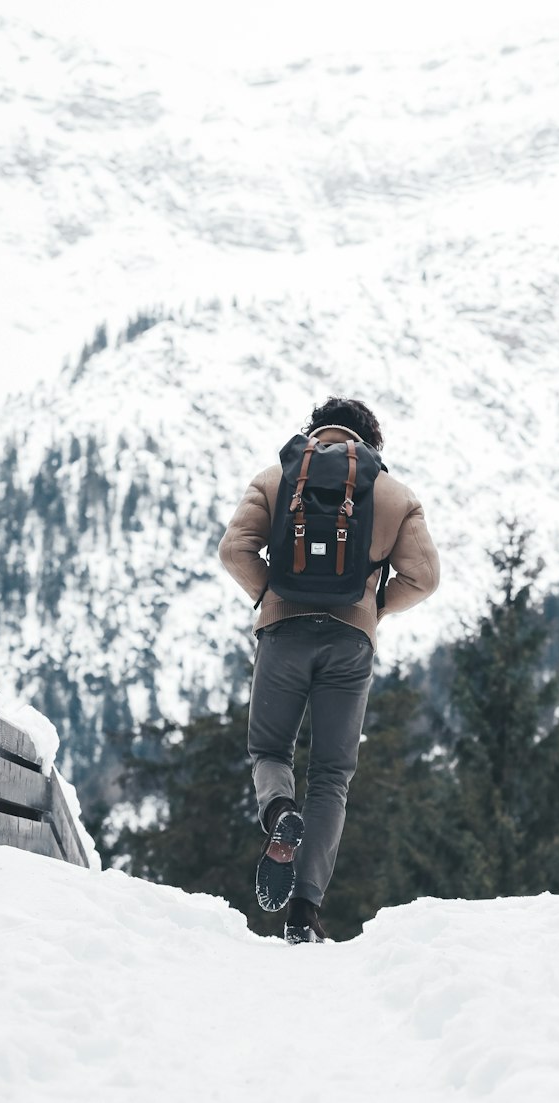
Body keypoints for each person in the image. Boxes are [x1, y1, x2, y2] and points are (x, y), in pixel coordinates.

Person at [218, 396, 441, 943]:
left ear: (315, 433)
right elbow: (425, 577)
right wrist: (373, 607)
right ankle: (305, 913)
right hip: (349, 642)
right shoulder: (394, 494)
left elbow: (233, 550)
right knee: (331, 775)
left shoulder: (276, 478)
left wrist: (269, 595)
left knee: (270, 751)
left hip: (283, 634)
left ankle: (278, 814)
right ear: (370, 444)